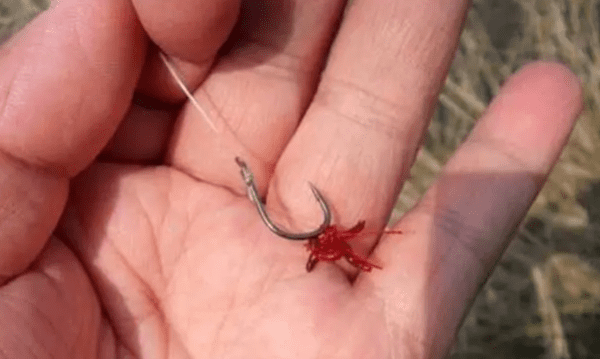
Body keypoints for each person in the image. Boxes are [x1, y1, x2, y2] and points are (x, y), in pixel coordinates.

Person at [0, 0, 583, 358]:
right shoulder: (325, 246)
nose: (330, 250)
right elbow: (330, 242)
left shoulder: (328, 246)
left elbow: (333, 241)